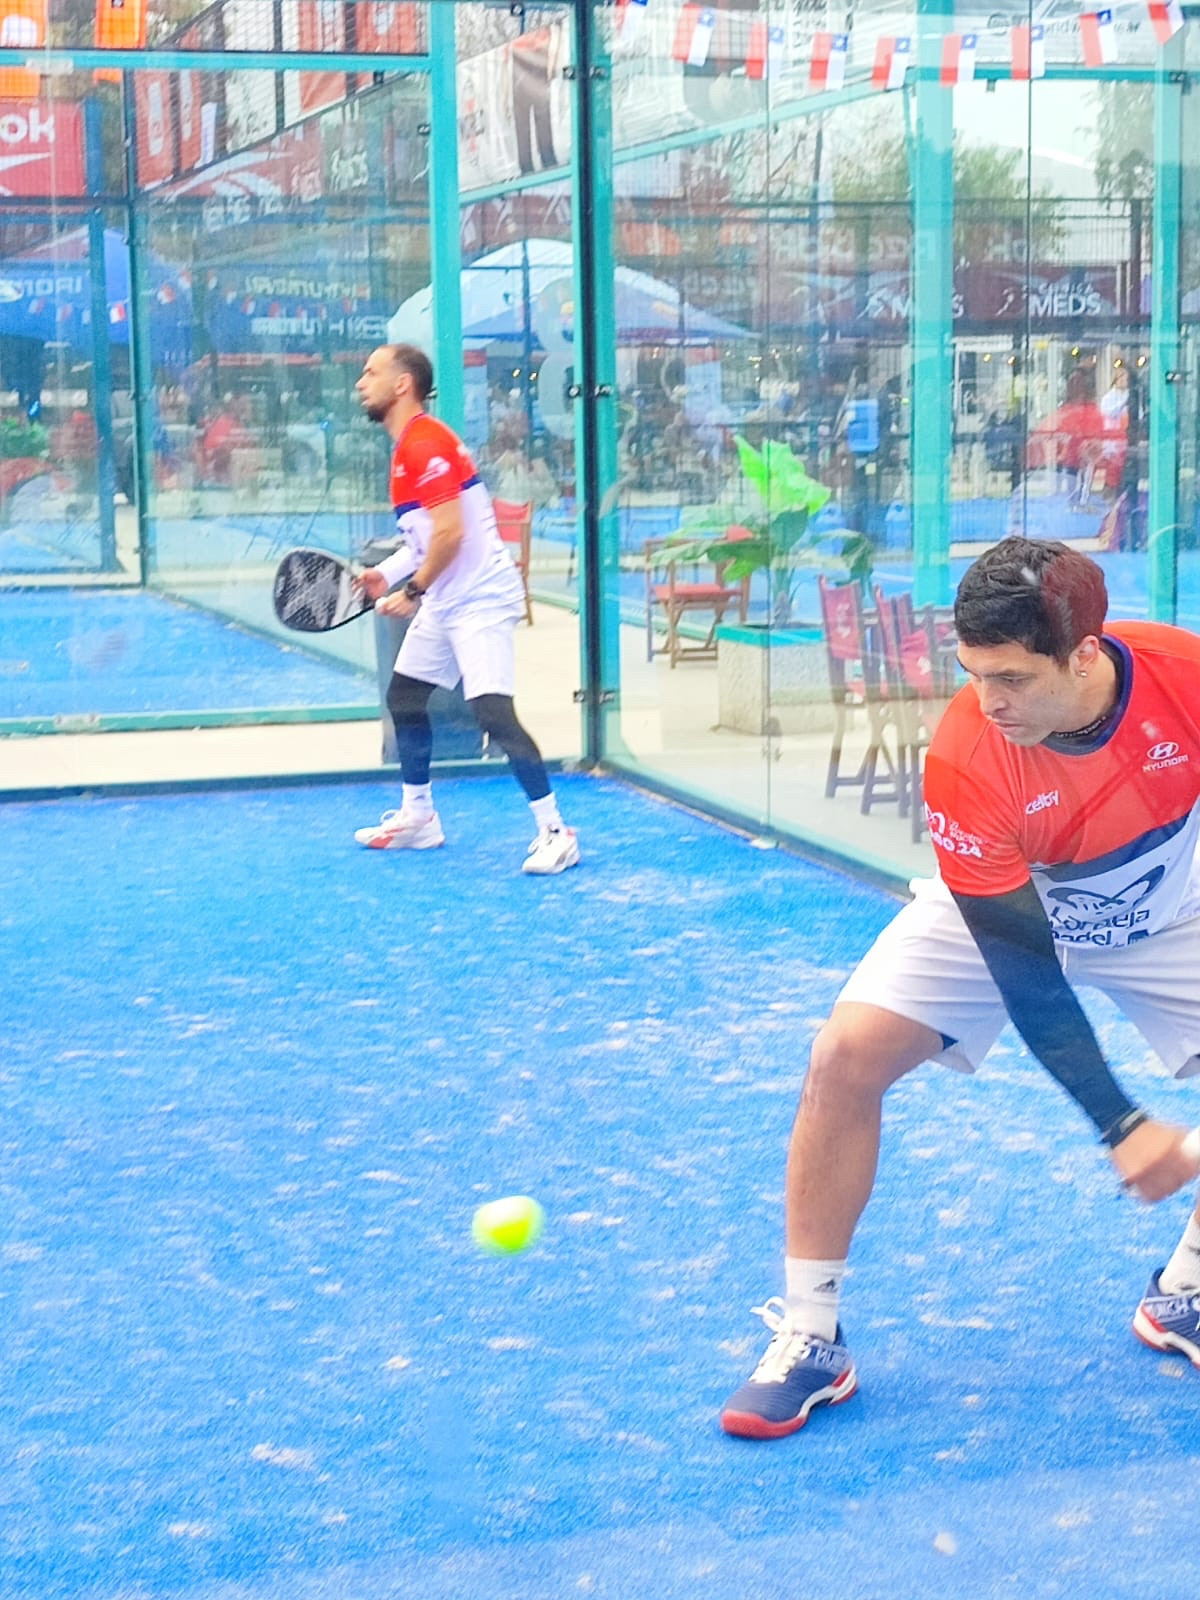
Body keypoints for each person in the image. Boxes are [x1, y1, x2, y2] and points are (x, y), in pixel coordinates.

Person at [721, 536, 1200, 1440]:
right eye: (974, 674)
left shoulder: (1185, 678)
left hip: (1167, 906)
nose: (988, 700)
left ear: (1084, 654)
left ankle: (1189, 1289)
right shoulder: (970, 754)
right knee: (844, 1058)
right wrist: (1122, 1123)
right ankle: (812, 1335)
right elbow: (1026, 969)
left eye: (1012, 677)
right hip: (1009, 914)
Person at [352, 343, 580, 876]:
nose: (361, 382)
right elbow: (426, 537)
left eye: (371, 372)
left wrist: (412, 591)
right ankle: (419, 818)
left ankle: (556, 831)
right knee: (405, 696)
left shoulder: (425, 443)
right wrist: (386, 574)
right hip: (448, 597)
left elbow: (452, 534)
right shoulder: (408, 447)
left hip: (480, 598)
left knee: (492, 712)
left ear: (402, 384)